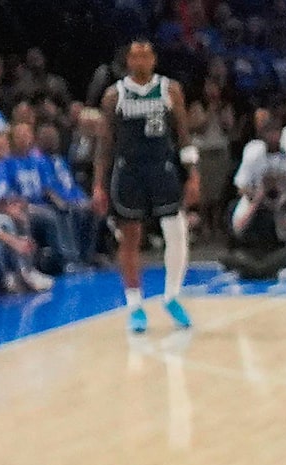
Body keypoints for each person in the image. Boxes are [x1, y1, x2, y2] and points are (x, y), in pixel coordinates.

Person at [92, 38, 197, 332]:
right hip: (129, 172)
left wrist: (193, 173)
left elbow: (184, 136)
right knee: (130, 238)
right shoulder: (115, 95)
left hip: (162, 169)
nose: (141, 61)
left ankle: (172, 296)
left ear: (154, 59)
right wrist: (98, 184)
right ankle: (135, 305)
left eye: (146, 55)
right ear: (128, 61)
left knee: (177, 232)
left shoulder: (170, 90)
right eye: (135, 56)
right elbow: (104, 144)